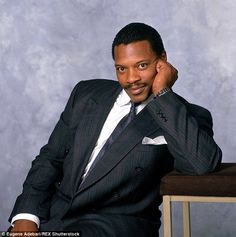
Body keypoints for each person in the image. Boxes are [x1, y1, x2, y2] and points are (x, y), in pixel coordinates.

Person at [9, 22, 222, 236]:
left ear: (162, 61)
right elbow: (50, 158)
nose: (131, 79)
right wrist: (26, 216)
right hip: (53, 218)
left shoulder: (187, 115)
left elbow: (201, 165)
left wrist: (163, 94)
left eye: (141, 66)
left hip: (115, 225)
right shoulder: (86, 94)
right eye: (122, 68)